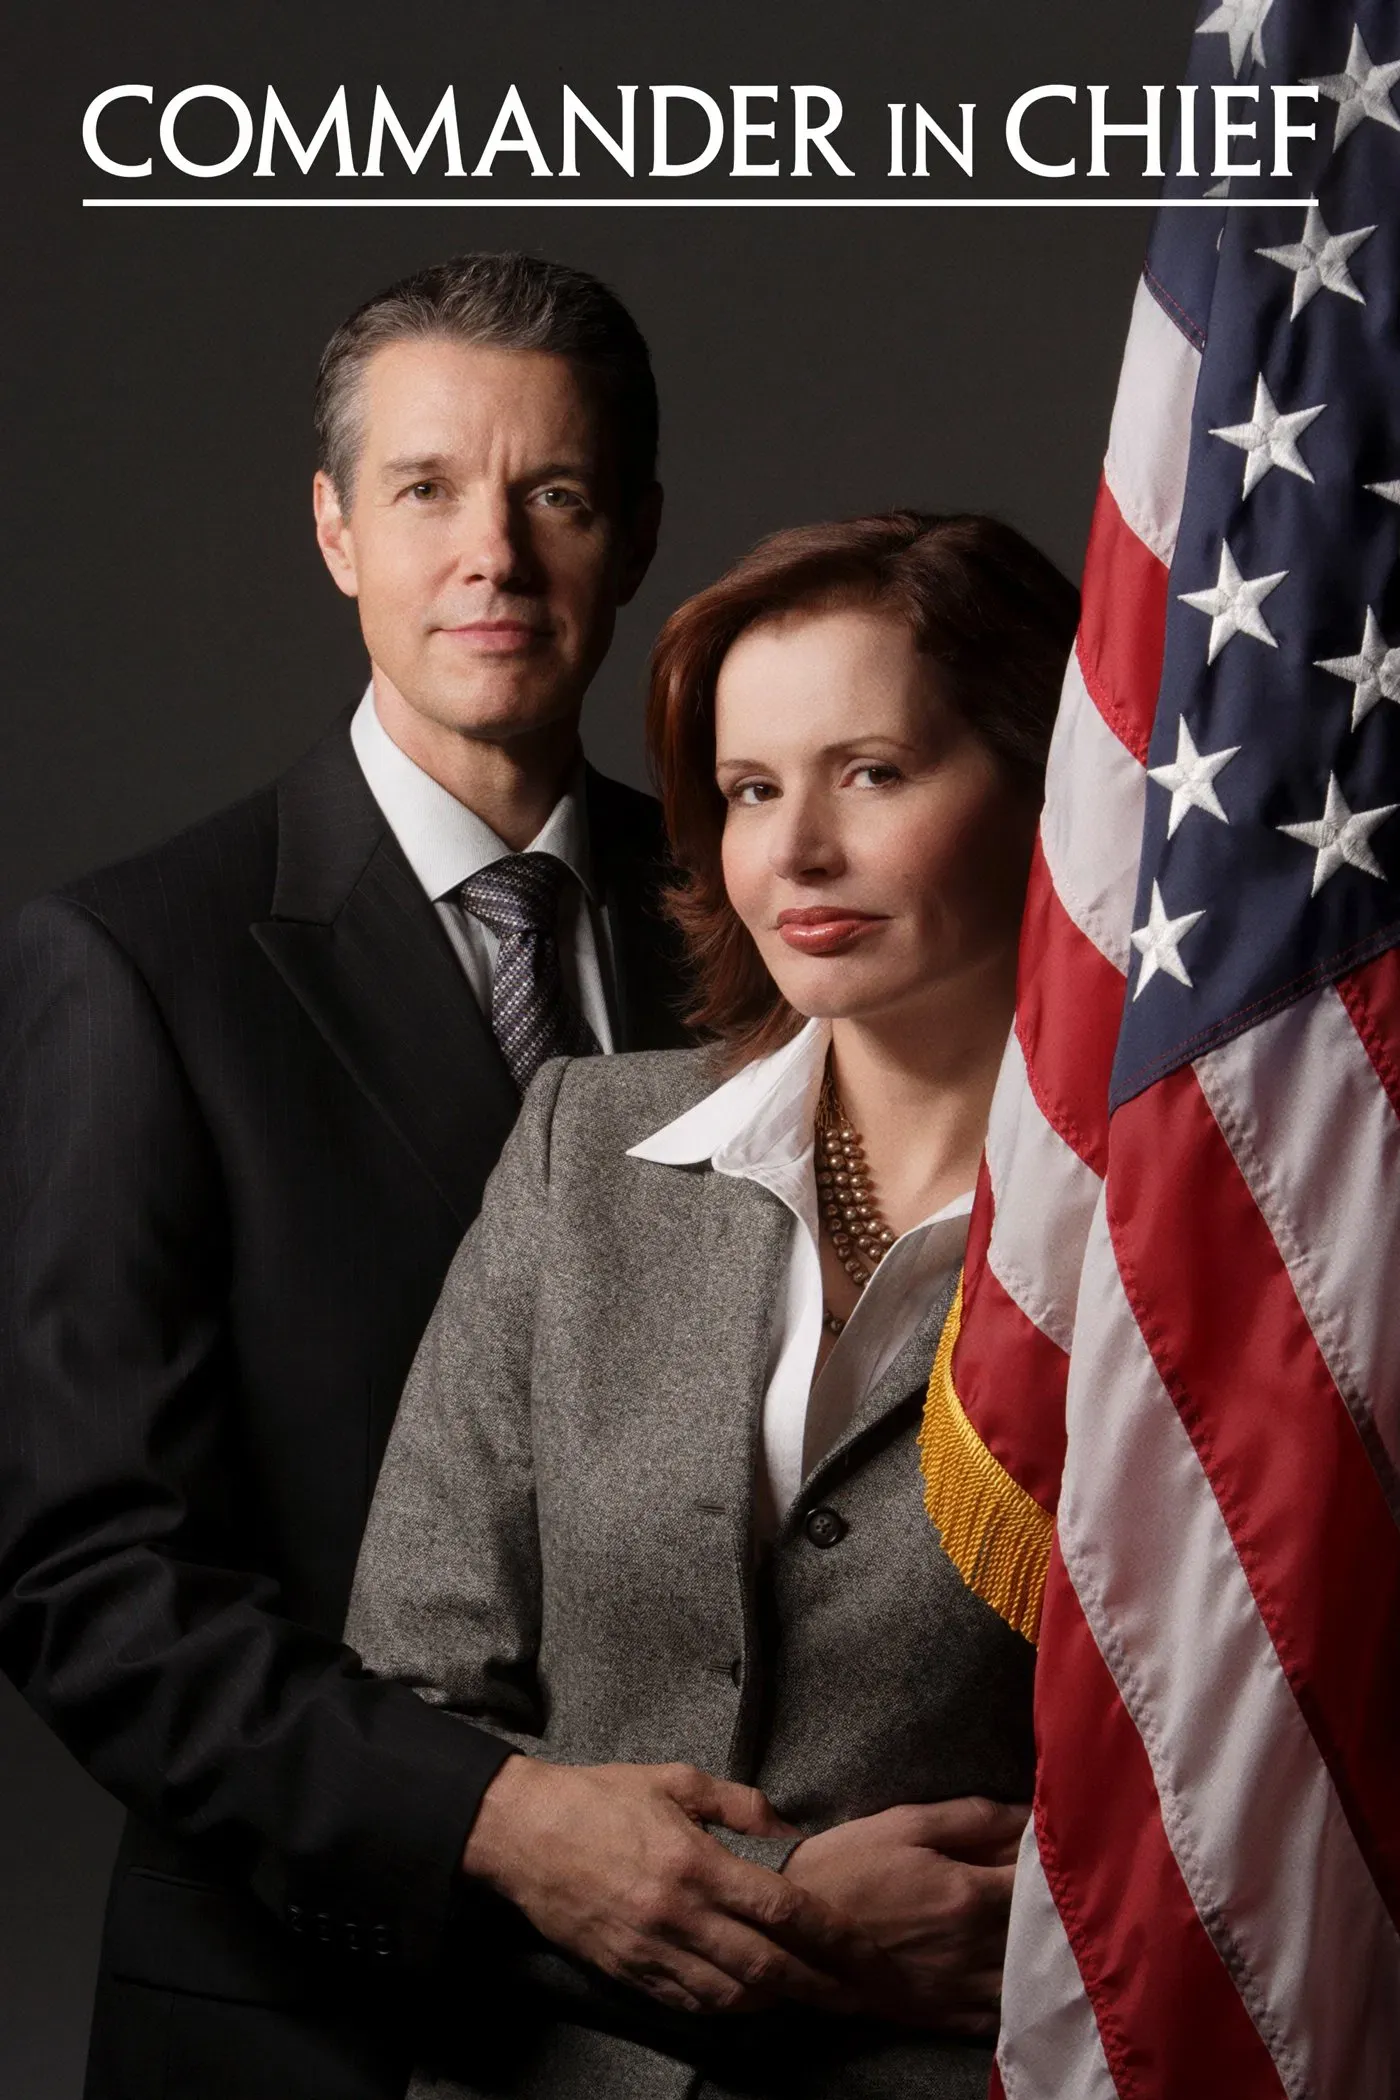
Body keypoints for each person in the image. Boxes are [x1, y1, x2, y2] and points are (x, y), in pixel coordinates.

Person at [0, 253, 853, 2100]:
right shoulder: (135, 965)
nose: (494, 555)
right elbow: (93, 1580)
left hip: (732, 2004)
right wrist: (497, 1819)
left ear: (637, 533)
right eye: (425, 489)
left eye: (556, 493)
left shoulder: (765, 923)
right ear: (335, 532)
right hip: (319, 2016)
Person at [348, 510, 1081, 2097]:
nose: (794, 852)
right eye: (750, 790)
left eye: (870, 772)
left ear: (1047, 784)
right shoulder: (585, 1150)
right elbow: (409, 1708)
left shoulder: (1188, 1244)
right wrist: (791, 1910)